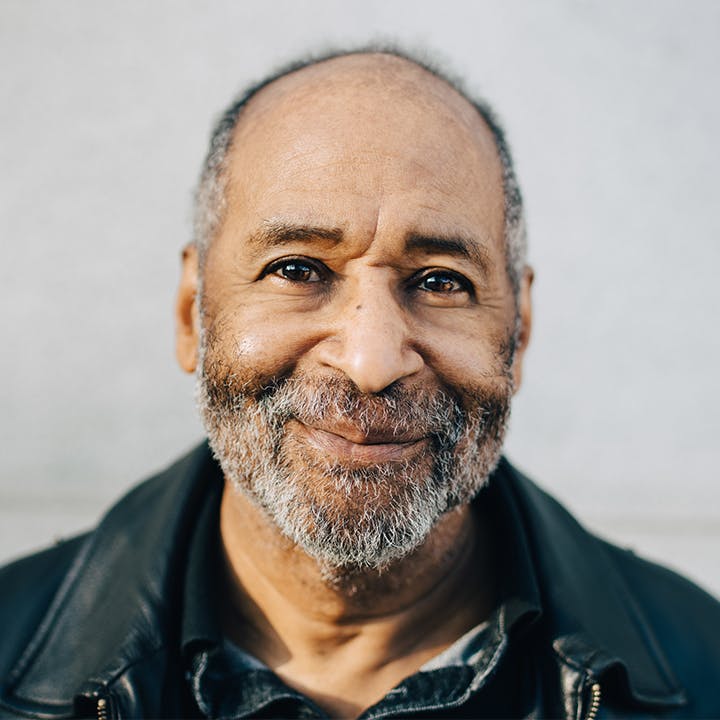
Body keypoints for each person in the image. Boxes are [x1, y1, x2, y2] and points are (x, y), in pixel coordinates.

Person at [1, 47, 718, 720]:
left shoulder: (705, 668)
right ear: (194, 312)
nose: (370, 362)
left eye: (441, 282)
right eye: (297, 269)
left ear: (519, 330)